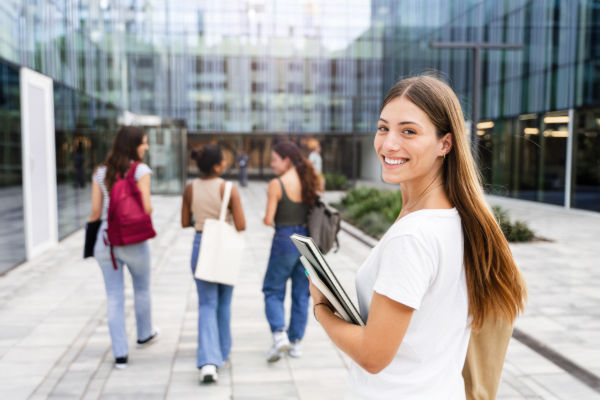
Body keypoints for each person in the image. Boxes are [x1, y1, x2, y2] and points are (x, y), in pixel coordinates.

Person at [308, 75, 527, 399]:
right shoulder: (454, 219)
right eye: (383, 128)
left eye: (408, 131)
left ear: (445, 144)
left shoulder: (413, 236)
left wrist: (322, 309)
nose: (389, 144)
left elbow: (373, 355)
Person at [89, 126, 159, 370]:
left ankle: (120, 355)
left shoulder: (100, 172)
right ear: (133, 145)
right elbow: (147, 207)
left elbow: (96, 213)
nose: (146, 147)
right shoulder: (140, 170)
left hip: (106, 241)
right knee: (141, 288)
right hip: (133, 240)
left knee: (114, 296)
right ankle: (144, 334)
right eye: (144, 142)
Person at [181, 145, 246, 384]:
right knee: (224, 303)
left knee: (207, 304)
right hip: (224, 246)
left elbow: (184, 221)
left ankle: (209, 362)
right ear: (217, 166)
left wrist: (204, 219)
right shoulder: (228, 188)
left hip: (200, 244)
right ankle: (222, 352)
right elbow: (241, 224)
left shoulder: (190, 188)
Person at [262, 140, 319, 362]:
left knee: (273, 290)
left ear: (286, 160)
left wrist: (268, 217)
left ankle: (279, 336)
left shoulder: (277, 183)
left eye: (274, 160)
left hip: (284, 241)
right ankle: (296, 343)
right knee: (301, 293)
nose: (271, 164)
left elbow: (268, 220)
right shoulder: (310, 180)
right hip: (306, 242)